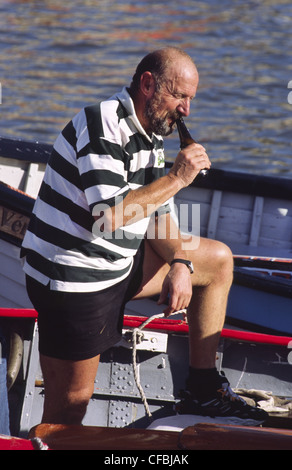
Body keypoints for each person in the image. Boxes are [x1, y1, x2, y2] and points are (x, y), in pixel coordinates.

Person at [21, 47, 267, 426]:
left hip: (118, 263)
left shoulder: (151, 131)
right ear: (148, 84)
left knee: (215, 261)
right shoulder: (102, 125)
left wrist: (182, 263)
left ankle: (202, 390)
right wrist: (178, 177)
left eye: (190, 99)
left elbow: (158, 210)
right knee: (70, 408)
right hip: (75, 278)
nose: (186, 109)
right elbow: (110, 217)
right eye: (179, 96)